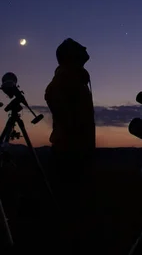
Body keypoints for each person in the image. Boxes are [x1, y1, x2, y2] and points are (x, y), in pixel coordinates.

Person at [44, 38, 96, 247]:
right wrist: (72, 128)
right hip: (69, 152)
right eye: (79, 48)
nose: (85, 48)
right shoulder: (65, 78)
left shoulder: (75, 78)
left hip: (77, 149)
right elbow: (52, 97)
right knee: (68, 203)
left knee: (77, 202)